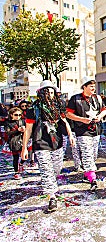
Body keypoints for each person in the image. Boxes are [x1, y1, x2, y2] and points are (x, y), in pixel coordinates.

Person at [20, 80, 75, 212]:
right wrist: (24, 148)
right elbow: (28, 129)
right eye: (47, 92)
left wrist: (70, 135)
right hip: (40, 142)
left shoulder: (58, 106)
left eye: (52, 92)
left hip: (57, 142)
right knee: (46, 170)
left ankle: (51, 184)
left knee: (56, 168)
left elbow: (65, 121)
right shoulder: (33, 109)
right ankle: (52, 197)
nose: (50, 95)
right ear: (41, 93)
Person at [66, 76, 106, 191]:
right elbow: (68, 114)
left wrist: (100, 116)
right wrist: (82, 119)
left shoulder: (97, 98)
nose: (93, 88)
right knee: (87, 154)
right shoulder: (75, 99)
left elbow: (103, 110)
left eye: (94, 86)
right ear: (84, 87)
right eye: (91, 86)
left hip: (96, 130)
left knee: (93, 154)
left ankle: (86, 174)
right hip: (82, 131)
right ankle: (93, 180)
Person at [5, 107, 25, 179]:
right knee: (15, 157)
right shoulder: (8, 123)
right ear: (11, 115)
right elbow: (8, 133)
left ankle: (21, 164)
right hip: (14, 142)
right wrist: (18, 130)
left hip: (23, 140)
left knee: (25, 156)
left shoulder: (22, 121)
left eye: (20, 115)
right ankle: (16, 172)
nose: (18, 116)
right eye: (16, 115)